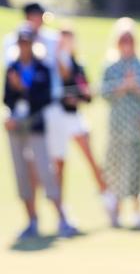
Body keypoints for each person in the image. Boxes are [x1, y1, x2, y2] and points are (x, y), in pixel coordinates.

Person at [4, 26, 78, 239]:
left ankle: (62, 219)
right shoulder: (12, 67)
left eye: (27, 43)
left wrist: (22, 88)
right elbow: (7, 98)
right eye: (21, 43)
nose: (24, 47)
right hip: (17, 128)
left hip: (36, 126)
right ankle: (31, 221)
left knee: (46, 171)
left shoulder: (41, 68)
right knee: (22, 173)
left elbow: (41, 98)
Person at [55, 28, 117, 224]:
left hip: (74, 118)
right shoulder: (52, 64)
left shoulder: (77, 66)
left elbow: (87, 95)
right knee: (59, 166)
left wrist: (78, 97)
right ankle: (61, 212)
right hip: (57, 119)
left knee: (91, 160)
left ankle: (108, 199)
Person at [101, 18, 140, 230]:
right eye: (123, 40)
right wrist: (124, 86)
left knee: (137, 170)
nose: (126, 44)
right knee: (116, 169)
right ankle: (115, 213)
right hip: (118, 128)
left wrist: (137, 87)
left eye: (129, 40)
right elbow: (104, 93)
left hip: (138, 127)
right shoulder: (111, 67)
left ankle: (138, 213)